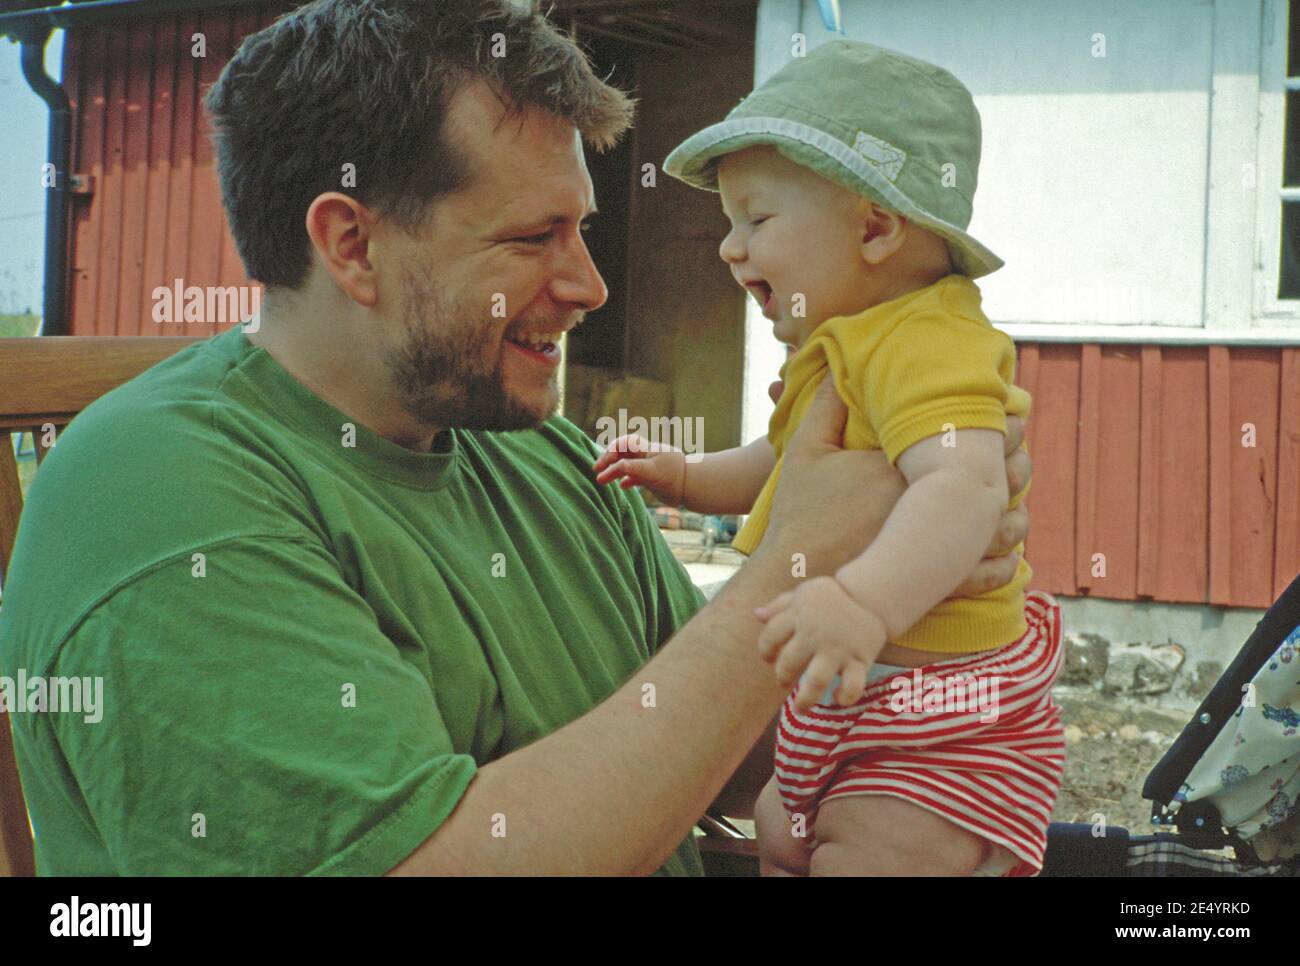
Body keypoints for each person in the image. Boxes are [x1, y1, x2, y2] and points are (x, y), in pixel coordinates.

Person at [0, 2, 1030, 876]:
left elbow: (731, 738)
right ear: (352, 245)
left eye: (580, 228)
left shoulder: (528, 450)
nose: (590, 285)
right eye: (535, 237)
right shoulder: (159, 497)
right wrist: (790, 571)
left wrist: (916, 577)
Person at [595, 41, 1063, 876]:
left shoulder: (929, 337)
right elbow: (785, 466)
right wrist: (689, 479)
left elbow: (964, 485)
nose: (730, 249)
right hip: (849, 693)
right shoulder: (842, 343)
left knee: (873, 849)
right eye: (730, 224)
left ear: (876, 227)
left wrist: (863, 600)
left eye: (758, 220)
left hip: (938, 723)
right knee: (783, 833)